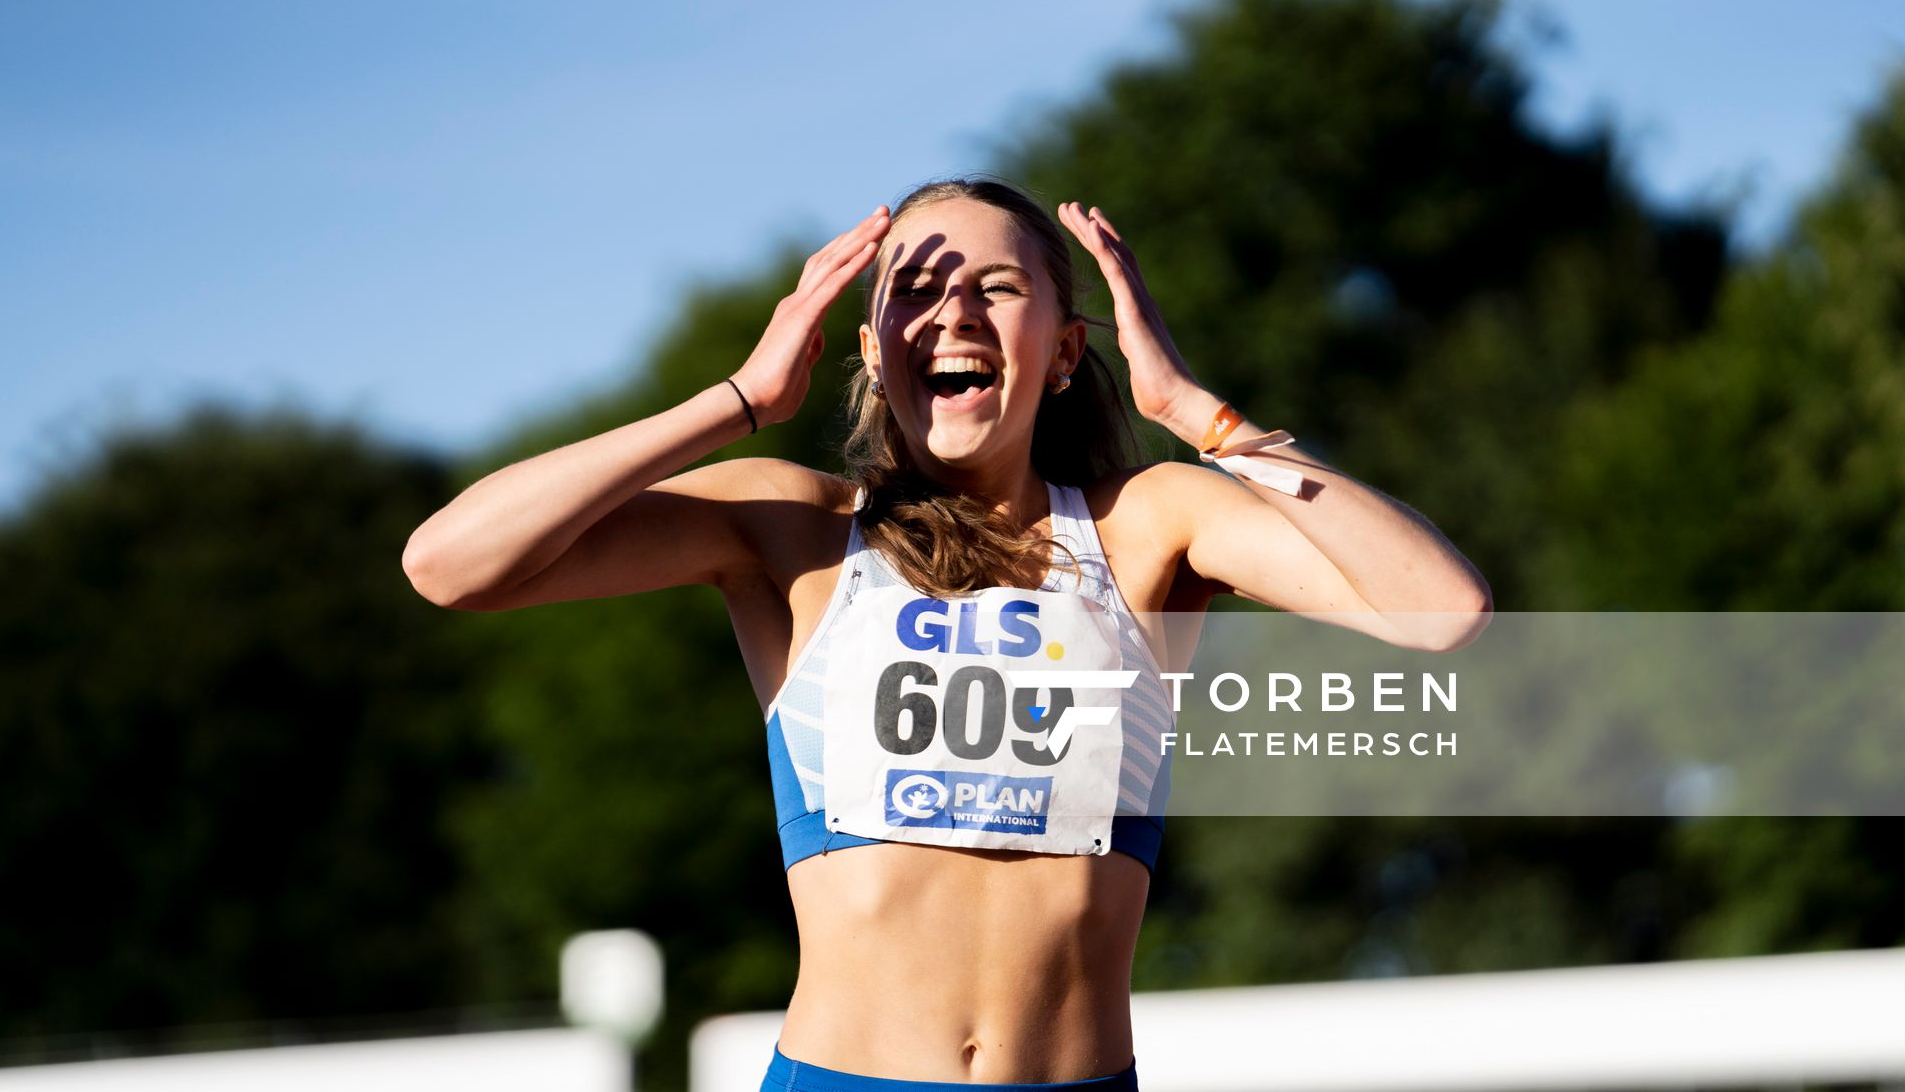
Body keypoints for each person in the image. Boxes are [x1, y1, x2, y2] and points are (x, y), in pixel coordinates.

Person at [402, 177, 1493, 1089]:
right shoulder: (795, 525)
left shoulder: (1150, 521)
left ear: (1065, 352)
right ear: (874, 351)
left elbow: (1442, 608)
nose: (955, 309)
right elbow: (450, 564)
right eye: (916, 288)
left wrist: (1196, 412)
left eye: (997, 285)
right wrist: (740, 396)